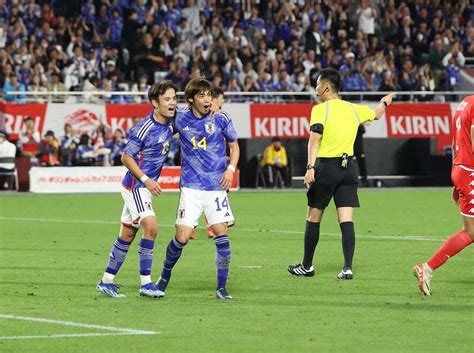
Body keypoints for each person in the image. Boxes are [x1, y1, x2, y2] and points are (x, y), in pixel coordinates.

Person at [287, 68, 395, 280]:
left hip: (327, 167)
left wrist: (309, 168)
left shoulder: (320, 110)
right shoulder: (354, 109)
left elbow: (314, 140)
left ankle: (307, 266)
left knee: (313, 216)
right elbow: (376, 115)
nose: (316, 88)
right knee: (346, 219)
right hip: (349, 169)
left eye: (318, 84)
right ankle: (347, 268)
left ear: (326, 87)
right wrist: (384, 102)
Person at [156, 78, 240, 300]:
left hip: (216, 187)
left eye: (209, 95)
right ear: (191, 99)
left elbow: (234, 145)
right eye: (201, 95)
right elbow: (161, 116)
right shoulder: (181, 117)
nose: (207, 99)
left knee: (222, 234)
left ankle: (221, 288)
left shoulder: (221, 118)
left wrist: (231, 169)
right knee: (182, 237)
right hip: (191, 188)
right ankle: (163, 278)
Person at [96, 80, 178, 298]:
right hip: (136, 186)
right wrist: (147, 180)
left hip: (141, 187)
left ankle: (106, 281)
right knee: (151, 227)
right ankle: (146, 283)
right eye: (167, 99)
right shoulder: (144, 128)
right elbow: (125, 156)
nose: (172, 103)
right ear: (155, 103)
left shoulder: (172, 122)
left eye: (174, 98)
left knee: (128, 234)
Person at [413, 95, 474, 296]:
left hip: (462, 169)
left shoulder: (466, 102)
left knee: (471, 230)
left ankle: (427, 268)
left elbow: (457, 138)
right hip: (470, 172)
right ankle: (428, 267)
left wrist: (456, 178)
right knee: (471, 232)